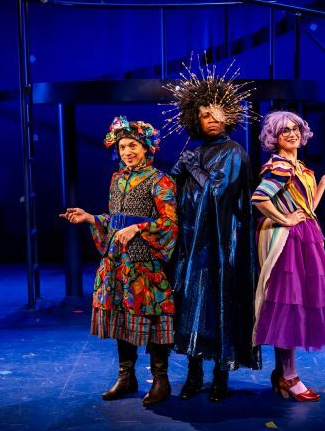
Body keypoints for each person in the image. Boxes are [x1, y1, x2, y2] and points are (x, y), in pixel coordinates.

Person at [60, 116, 177, 406]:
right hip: (118, 261)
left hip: (145, 262)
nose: (127, 152)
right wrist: (90, 218)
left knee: (153, 318)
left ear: (146, 147)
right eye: (123, 147)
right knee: (122, 318)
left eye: (133, 146)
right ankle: (126, 377)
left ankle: (161, 381)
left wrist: (138, 228)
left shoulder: (160, 180)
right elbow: (115, 219)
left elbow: (170, 223)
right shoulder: (117, 179)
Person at [162, 59, 261, 402]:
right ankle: (193, 374)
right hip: (192, 245)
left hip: (219, 246)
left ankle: (220, 375)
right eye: (206, 115)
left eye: (219, 114)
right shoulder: (195, 152)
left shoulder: (234, 152)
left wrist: (194, 170)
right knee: (192, 307)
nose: (214, 120)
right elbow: (173, 191)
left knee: (219, 306)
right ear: (196, 119)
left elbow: (219, 194)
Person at [251, 111, 325, 402]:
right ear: (274, 138)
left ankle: (282, 374)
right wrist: (285, 219)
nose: (291, 134)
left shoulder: (298, 167)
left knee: (296, 304)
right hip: (288, 241)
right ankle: (289, 376)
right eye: (284, 131)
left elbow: (307, 208)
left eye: (295, 129)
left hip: (304, 235)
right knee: (289, 306)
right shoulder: (279, 166)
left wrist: (322, 184)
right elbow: (259, 198)